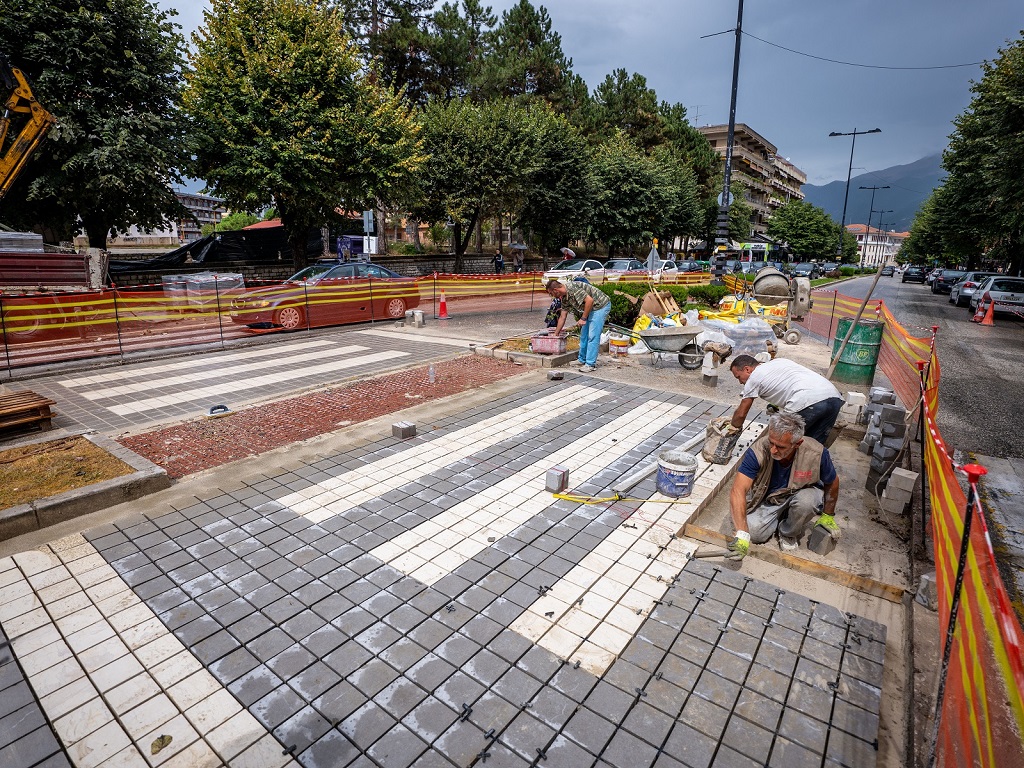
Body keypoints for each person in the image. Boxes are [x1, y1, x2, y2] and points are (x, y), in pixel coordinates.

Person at [726, 411, 840, 560]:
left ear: (797, 444)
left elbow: (832, 481)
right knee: (753, 533)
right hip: (770, 498)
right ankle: (778, 517)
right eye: (771, 442)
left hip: (800, 493)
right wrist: (742, 533)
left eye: (780, 446)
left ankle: (788, 533)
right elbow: (738, 490)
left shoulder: (816, 453)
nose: (773, 449)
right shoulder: (759, 450)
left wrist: (828, 515)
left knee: (807, 502)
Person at [728, 354, 844, 445]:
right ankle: (808, 474)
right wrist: (776, 406)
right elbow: (788, 383)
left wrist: (732, 430)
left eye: (738, 377)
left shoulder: (753, 378)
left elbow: (741, 414)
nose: (740, 382)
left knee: (779, 443)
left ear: (747, 369)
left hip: (807, 401)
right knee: (814, 448)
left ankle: (777, 472)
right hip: (833, 398)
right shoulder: (779, 362)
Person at [546, 278, 610, 372]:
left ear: (556, 290)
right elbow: (562, 317)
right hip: (591, 308)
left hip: (600, 306)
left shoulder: (572, 288)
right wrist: (556, 334)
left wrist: (583, 318)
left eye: (551, 293)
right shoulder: (564, 298)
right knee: (584, 335)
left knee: (593, 336)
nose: (552, 296)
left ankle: (590, 364)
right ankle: (582, 359)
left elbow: (590, 301)